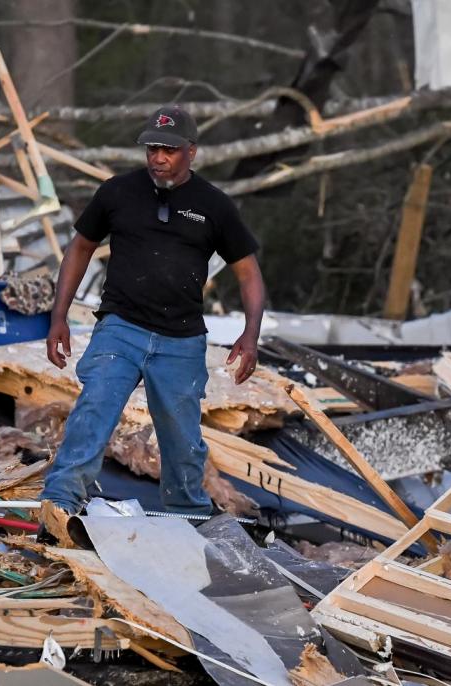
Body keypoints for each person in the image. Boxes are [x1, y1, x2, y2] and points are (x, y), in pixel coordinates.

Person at [39, 104, 265, 517]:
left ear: (191, 151)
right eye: (152, 149)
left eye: (170, 150)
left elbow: (248, 273)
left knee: (181, 438)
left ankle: (187, 514)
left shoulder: (213, 205)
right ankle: (60, 503)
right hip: (120, 327)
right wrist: (58, 317)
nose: (159, 157)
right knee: (94, 409)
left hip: (181, 339)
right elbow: (81, 248)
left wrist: (250, 335)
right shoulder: (117, 192)